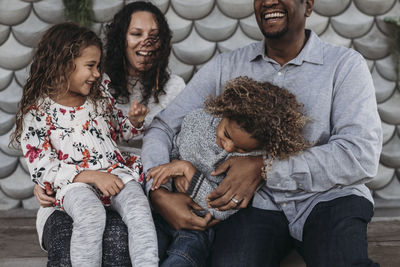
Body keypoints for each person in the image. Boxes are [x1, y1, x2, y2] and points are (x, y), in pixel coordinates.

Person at [142, 0, 382, 266]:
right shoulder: (228, 66)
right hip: (255, 208)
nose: (268, 1)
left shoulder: (344, 65)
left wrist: (266, 167)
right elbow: (163, 127)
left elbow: (360, 154)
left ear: (309, 6)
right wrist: (158, 192)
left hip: (330, 198)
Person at [32, 2, 185, 266]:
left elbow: (179, 147)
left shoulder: (175, 89)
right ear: (120, 39)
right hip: (78, 185)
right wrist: (47, 180)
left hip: (137, 185)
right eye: (136, 34)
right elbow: (53, 140)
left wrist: (136, 123)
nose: (146, 42)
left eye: (154, 36)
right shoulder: (93, 84)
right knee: (66, 244)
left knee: (118, 243)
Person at [11, 22, 158, 266]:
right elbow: (43, 169)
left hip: (116, 173)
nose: (97, 73)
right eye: (90, 66)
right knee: (91, 216)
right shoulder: (37, 113)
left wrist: (134, 121)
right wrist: (91, 176)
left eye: (98, 66)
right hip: (75, 185)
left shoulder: (99, 95)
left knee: (139, 210)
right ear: (62, 66)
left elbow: (118, 129)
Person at [147, 76, 309, 266]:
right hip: (160, 212)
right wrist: (174, 169)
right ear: (223, 113)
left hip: (197, 226)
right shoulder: (196, 120)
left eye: (241, 149)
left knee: (182, 259)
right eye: (226, 134)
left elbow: (222, 210)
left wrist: (188, 171)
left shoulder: (248, 163)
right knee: (145, 254)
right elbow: (175, 145)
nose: (229, 148)